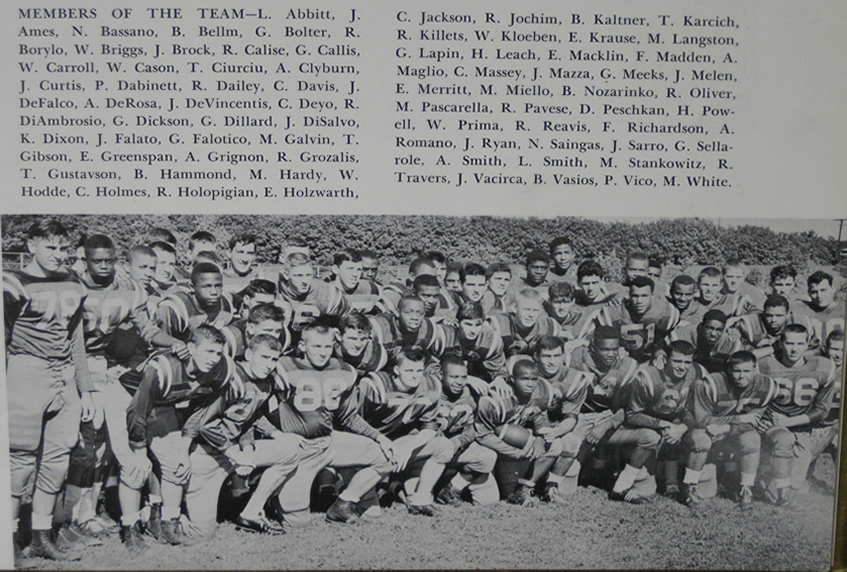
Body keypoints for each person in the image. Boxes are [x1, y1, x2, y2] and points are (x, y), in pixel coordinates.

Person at [5, 219, 95, 562]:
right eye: (50, 247)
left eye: (63, 248)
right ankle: (9, 539)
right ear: (31, 246)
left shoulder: (73, 281)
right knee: (19, 463)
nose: (58, 255)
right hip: (26, 370)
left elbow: (76, 338)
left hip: (65, 374)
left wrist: (85, 388)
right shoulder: (13, 283)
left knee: (58, 459)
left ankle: (41, 536)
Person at [268, 322, 393, 526]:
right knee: (297, 521)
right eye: (316, 346)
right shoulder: (283, 366)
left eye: (327, 346)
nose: (323, 352)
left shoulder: (344, 370)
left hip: (328, 442)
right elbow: (262, 410)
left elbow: (348, 416)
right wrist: (276, 434)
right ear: (302, 346)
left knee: (387, 456)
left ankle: (344, 504)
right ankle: (275, 495)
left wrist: (380, 437)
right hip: (298, 448)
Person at [181, 335, 305, 539]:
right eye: (264, 357)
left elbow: (247, 417)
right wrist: (235, 454)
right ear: (248, 354)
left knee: (290, 451)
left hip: (233, 451)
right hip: (205, 454)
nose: (269, 364)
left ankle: (252, 513)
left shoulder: (266, 383)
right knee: (202, 534)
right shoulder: (230, 377)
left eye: (274, 359)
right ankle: (165, 515)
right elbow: (204, 424)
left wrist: (249, 447)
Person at [124, 325, 236, 546]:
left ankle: (168, 523)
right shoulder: (164, 367)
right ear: (191, 347)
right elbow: (136, 411)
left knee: (177, 462)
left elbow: (200, 410)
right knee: (132, 467)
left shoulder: (222, 370)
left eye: (217, 353)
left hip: (163, 404)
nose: (214, 359)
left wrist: (185, 449)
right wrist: (138, 451)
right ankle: (130, 528)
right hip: (126, 399)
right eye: (208, 351)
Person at [355, 347, 455, 516]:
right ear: (396, 370)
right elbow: (354, 422)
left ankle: (420, 500)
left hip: (400, 441)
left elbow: (429, 428)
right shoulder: (375, 385)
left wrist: (408, 447)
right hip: (371, 443)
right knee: (371, 513)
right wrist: (378, 442)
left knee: (444, 446)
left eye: (419, 370)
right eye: (409, 370)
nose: (415, 375)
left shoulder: (431, 386)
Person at [607, 341, 705, 504]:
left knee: (695, 438)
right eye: (677, 361)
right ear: (665, 360)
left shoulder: (694, 374)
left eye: (687, 362)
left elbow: (691, 412)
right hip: (640, 432)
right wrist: (663, 425)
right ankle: (621, 484)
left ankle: (675, 486)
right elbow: (631, 415)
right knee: (647, 491)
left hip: (668, 430)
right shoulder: (646, 377)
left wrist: (681, 428)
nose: (683, 367)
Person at [685, 351, 778, 508]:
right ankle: (690, 487)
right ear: (728, 371)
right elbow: (702, 421)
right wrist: (738, 419)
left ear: (755, 370)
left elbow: (753, 422)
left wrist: (726, 428)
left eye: (747, 371)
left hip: (728, 431)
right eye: (737, 371)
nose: (741, 376)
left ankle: (746, 490)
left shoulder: (766, 386)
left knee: (752, 439)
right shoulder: (709, 384)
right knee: (701, 440)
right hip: (705, 432)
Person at [758, 324, 838, 506]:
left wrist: (789, 421)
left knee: (796, 483)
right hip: (773, 423)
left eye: (799, 343)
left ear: (807, 344)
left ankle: (770, 476)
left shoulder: (822, 367)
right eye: (789, 343)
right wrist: (759, 418)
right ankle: (765, 475)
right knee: (778, 481)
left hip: (800, 426)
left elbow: (822, 410)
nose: (794, 349)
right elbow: (752, 396)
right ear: (781, 343)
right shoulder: (765, 365)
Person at [432, 356, 500, 506]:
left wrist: (458, 442)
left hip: (457, 448)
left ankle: (451, 489)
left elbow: (472, 429)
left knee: (488, 500)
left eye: (463, 377)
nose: (459, 382)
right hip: (433, 451)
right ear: (441, 376)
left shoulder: (470, 394)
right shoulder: (431, 393)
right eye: (454, 377)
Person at [590, 276, 680, 364]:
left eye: (644, 296)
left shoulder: (667, 313)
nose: (639, 301)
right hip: (623, 360)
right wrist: (616, 348)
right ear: (629, 295)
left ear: (652, 295)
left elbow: (664, 340)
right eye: (635, 296)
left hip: (651, 360)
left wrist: (660, 352)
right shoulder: (613, 313)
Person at [157, 262, 235, 341]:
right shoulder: (175, 307)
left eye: (218, 286)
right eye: (207, 286)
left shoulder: (226, 307)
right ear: (192, 287)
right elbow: (161, 345)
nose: (214, 292)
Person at [276, 252, 348, 333]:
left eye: (308, 275)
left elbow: (348, 320)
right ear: (286, 275)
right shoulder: (276, 291)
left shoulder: (327, 293)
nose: (305, 281)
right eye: (299, 275)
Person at [487, 289, 562, 358]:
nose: (531, 315)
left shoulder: (549, 326)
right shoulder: (499, 323)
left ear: (540, 311)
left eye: (535, 310)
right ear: (514, 308)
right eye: (527, 309)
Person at [794, 271, 844, 348]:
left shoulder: (843, 310)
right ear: (808, 293)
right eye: (814, 292)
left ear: (833, 289)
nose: (819, 296)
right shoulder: (801, 308)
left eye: (823, 290)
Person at [329, 248, 383, 315]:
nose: (355, 274)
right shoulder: (325, 291)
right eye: (350, 269)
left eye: (359, 269)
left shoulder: (371, 288)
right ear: (336, 269)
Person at [334, 311, 388, 375]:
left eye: (363, 339)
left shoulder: (373, 357)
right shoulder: (327, 346)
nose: (358, 345)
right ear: (339, 335)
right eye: (352, 339)